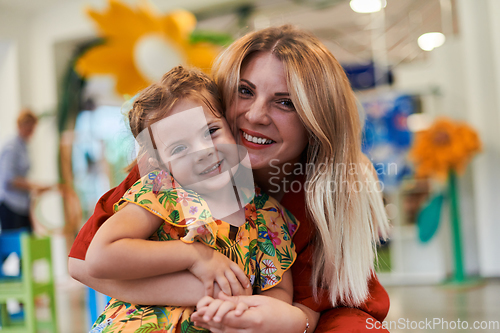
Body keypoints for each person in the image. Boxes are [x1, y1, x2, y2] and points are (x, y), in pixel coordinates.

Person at [69, 25, 391, 332]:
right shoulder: (167, 174)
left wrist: (254, 313)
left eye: (285, 102)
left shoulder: (294, 208)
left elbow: (296, 304)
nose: (255, 115)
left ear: (315, 120)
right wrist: (201, 274)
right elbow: (85, 264)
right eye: (245, 91)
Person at [86, 66, 300, 332]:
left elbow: (277, 291)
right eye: (179, 148)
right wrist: (195, 256)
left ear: (232, 127)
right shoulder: (162, 192)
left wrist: (246, 315)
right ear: (160, 163)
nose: (203, 151)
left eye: (211, 131)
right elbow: (99, 256)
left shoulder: (268, 216)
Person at [0, 109, 52, 233]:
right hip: (10, 204)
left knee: (28, 242)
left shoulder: (23, 146)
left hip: (23, 205)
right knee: (14, 245)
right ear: (21, 125)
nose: (32, 131)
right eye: (29, 127)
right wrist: (34, 186)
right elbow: (9, 180)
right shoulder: (11, 147)